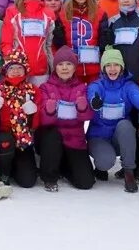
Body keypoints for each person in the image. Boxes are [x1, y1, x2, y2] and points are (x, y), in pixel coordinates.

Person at [87, 47, 139, 192]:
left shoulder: (128, 86)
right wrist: (94, 102)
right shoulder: (97, 85)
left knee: (126, 126)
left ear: (122, 67)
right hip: (98, 137)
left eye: (116, 64)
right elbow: (92, 94)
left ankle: (129, 172)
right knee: (105, 162)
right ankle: (99, 166)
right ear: (103, 68)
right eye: (108, 65)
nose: (112, 69)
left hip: (119, 137)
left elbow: (138, 98)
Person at [35, 46, 96, 191]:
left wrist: (82, 108)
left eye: (68, 64)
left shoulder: (82, 87)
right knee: (52, 135)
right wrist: (49, 111)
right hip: (52, 137)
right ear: (55, 67)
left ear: (75, 68)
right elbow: (42, 120)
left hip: (75, 138)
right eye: (60, 64)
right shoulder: (45, 87)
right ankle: (49, 177)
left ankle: (65, 167)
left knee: (86, 183)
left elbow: (88, 116)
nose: (64, 68)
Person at [0, 50, 40, 188]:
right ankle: (3, 172)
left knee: (28, 181)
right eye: (11, 68)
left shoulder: (33, 90)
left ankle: (16, 166)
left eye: (19, 67)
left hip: (24, 138)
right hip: (4, 134)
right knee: (5, 142)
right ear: (5, 70)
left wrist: (32, 114)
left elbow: (35, 125)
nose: (15, 71)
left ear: (25, 70)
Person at [0, 0, 59, 85]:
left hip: (41, 70)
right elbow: (6, 42)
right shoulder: (12, 12)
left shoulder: (48, 14)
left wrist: (53, 66)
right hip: (18, 70)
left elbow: (50, 45)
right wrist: (12, 61)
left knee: (40, 101)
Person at [59, 0, 105, 83]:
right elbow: (60, 42)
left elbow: (103, 40)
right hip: (72, 70)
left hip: (94, 69)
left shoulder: (100, 13)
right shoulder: (64, 14)